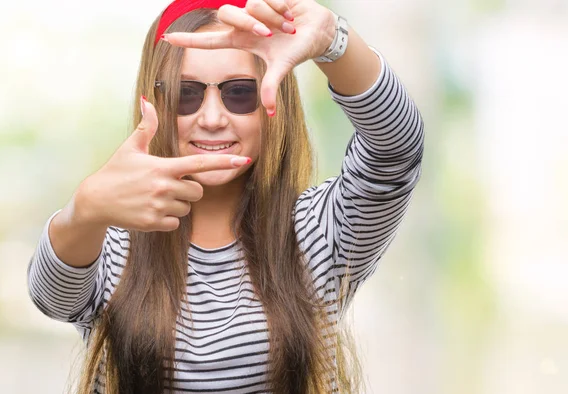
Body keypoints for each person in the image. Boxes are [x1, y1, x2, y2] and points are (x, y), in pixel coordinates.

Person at [27, 0, 424, 393]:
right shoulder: (115, 244)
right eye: (187, 94)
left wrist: (331, 40)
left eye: (238, 93)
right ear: (155, 102)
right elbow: (51, 298)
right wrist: (84, 210)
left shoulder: (316, 231)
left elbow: (397, 149)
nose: (213, 118)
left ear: (274, 101)